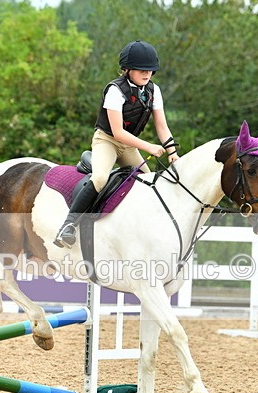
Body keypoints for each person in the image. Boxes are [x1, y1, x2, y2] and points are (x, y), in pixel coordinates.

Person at [54, 39, 180, 248]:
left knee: (148, 184)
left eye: (150, 70)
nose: (147, 74)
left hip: (129, 146)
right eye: (141, 70)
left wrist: (172, 151)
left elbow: (162, 126)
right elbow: (118, 132)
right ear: (127, 69)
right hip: (107, 141)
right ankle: (68, 226)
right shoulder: (115, 90)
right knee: (100, 178)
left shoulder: (153, 90)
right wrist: (148, 147)